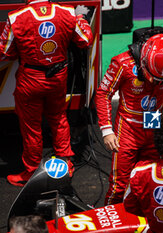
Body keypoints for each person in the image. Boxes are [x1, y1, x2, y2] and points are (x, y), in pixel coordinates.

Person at [95, 33, 163, 205]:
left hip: (153, 122)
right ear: (144, 60)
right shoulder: (122, 63)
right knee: (119, 186)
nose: (158, 82)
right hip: (127, 125)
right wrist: (106, 130)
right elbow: (103, 93)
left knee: (152, 180)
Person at [0, 0, 93, 186]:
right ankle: (65, 163)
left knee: (31, 127)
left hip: (30, 78)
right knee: (59, 118)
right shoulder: (67, 12)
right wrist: (81, 17)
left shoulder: (16, 16)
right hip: (58, 76)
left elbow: (5, 51)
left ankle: (32, 172)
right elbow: (85, 40)